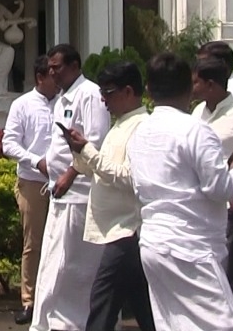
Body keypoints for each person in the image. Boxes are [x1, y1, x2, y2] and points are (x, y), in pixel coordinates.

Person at [126, 53, 233, 331]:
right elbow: (219, 188)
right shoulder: (196, 130)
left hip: (154, 243)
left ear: (148, 90)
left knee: (173, 323)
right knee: (224, 325)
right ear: (190, 88)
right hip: (191, 246)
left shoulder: (140, 132)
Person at [63, 61, 155, 331]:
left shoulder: (141, 127)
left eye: (108, 92)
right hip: (119, 230)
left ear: (128, 91)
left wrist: (88, 151)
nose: (103, 100)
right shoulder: (120, 125)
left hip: (128, 229)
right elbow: (101, 170)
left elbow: (128, 177)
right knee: (144, 306)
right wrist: (80, 152)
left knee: (103, 301)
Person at [30, 44, 111, 331]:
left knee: (73, 265)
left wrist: (70, 174)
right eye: (50, 68)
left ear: (75, 66)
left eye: (57, 67)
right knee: (53, 263)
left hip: (79, 194)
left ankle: (73, 323)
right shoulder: (63, 98)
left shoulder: (89, 94)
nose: (52, 73)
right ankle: (47, 322)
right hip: (60, 194)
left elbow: (96, 142)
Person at [191, 57, 233, 304]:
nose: (191, 88)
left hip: (230, 210)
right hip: (199, 208)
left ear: (211, 85)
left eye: (196, 82)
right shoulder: (197, 113)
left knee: (227, 279)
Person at [0, 55, 59, 325]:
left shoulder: (66, 102)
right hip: (33, 181)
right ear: (40, 77)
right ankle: (29, 300)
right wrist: (37, 161)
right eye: (52, 75)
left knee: (62, 242)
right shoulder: (22, 104)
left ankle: (57, 298)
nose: (57, 80)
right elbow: (9, 144)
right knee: (33, 244)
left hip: (66, 181)